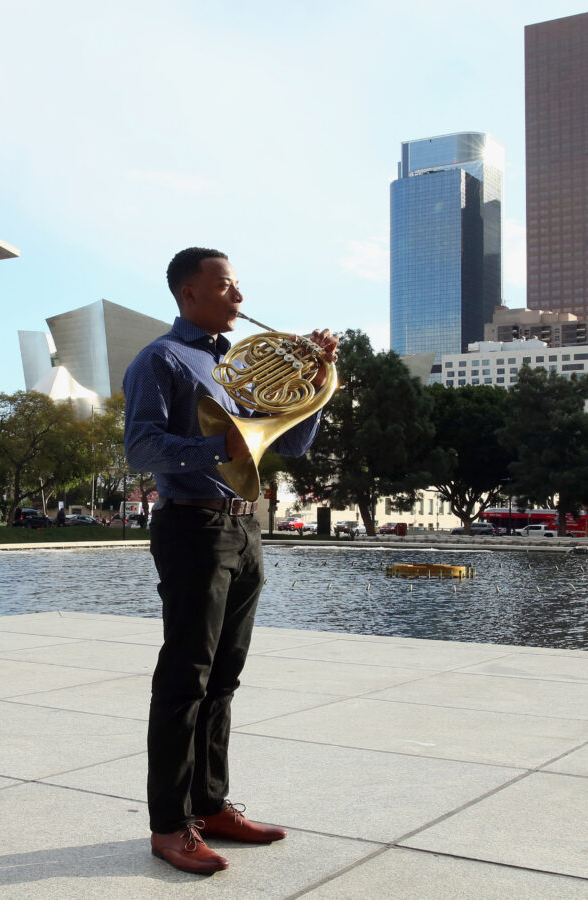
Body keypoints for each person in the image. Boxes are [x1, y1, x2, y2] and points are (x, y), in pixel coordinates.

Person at [123, 247, 337, 875]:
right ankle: (169, 825)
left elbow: (291, 441)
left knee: (225, 676)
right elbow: (140, 446)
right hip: (192, 526)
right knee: (185, 677)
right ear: (189, 293)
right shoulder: (160, 359)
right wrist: (221, 443)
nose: (240, 298)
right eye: (226, 286)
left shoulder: (233, 365)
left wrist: (317, 380)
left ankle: (211, 804)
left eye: (239, 285)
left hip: (244, 529)